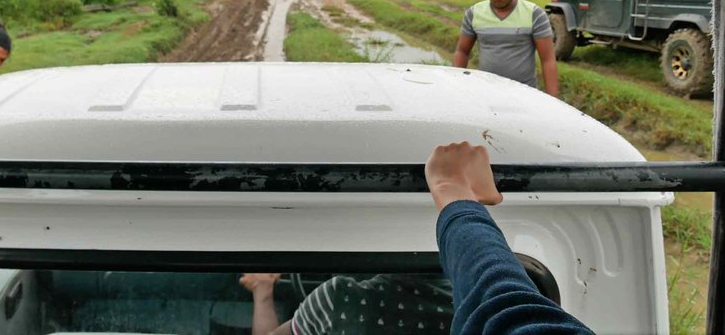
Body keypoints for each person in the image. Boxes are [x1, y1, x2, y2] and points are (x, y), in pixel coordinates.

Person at [240, 142, 591, 334]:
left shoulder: (338, 300)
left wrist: (263, 290)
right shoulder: (465, 304)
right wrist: (456, 196)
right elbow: (504, 304)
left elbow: (503, 305)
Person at [453, 0, 558, 96]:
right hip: (486, 93)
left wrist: (554, 102)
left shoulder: (534, 14)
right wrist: (456, 88)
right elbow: (462, 51)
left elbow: (548, 59)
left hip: (524, 94)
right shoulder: (474, 13)